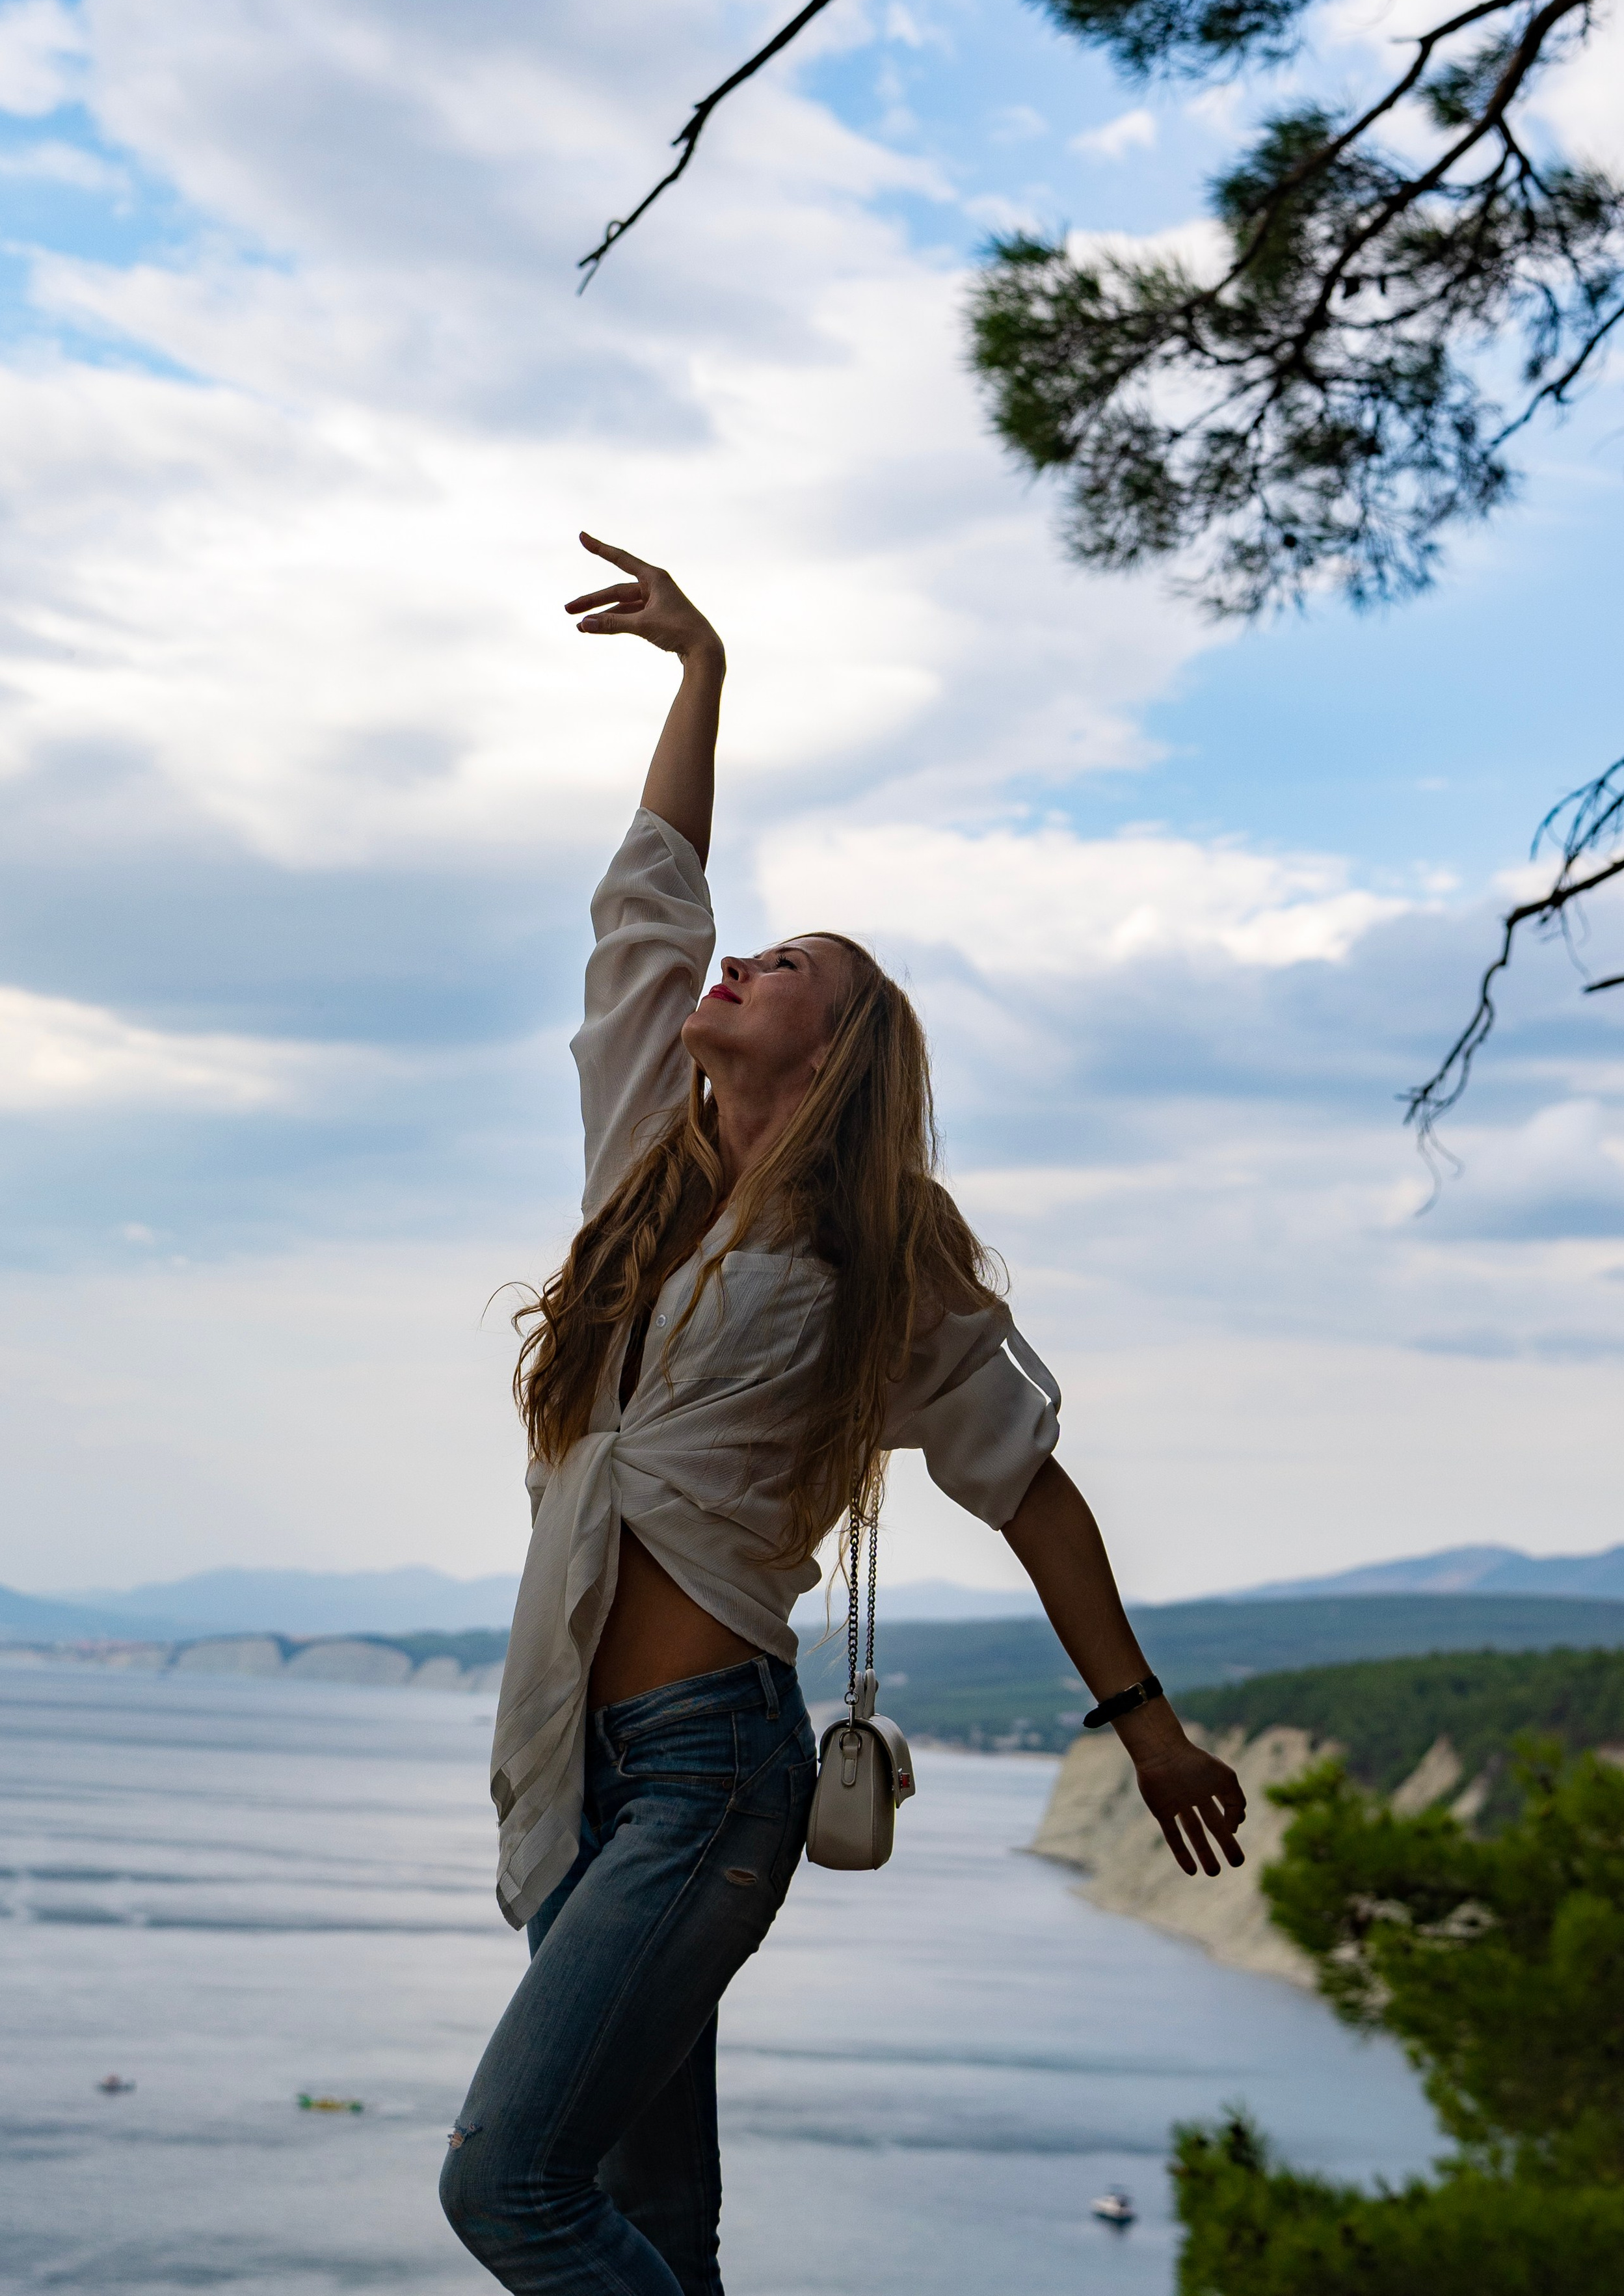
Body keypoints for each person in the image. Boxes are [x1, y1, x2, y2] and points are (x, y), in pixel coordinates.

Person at [440, 534, 1248, 2295]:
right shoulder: (643, 1173)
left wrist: (1144, 1720)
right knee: (659, 2224)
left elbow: (1029, 1487)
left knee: (509, 2190)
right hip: (585, 1774)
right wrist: (698, 675)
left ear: (842, 1042)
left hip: (711, 1770)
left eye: (788, 964)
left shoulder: (880, 1263)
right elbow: (651, 902)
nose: (741, 966)